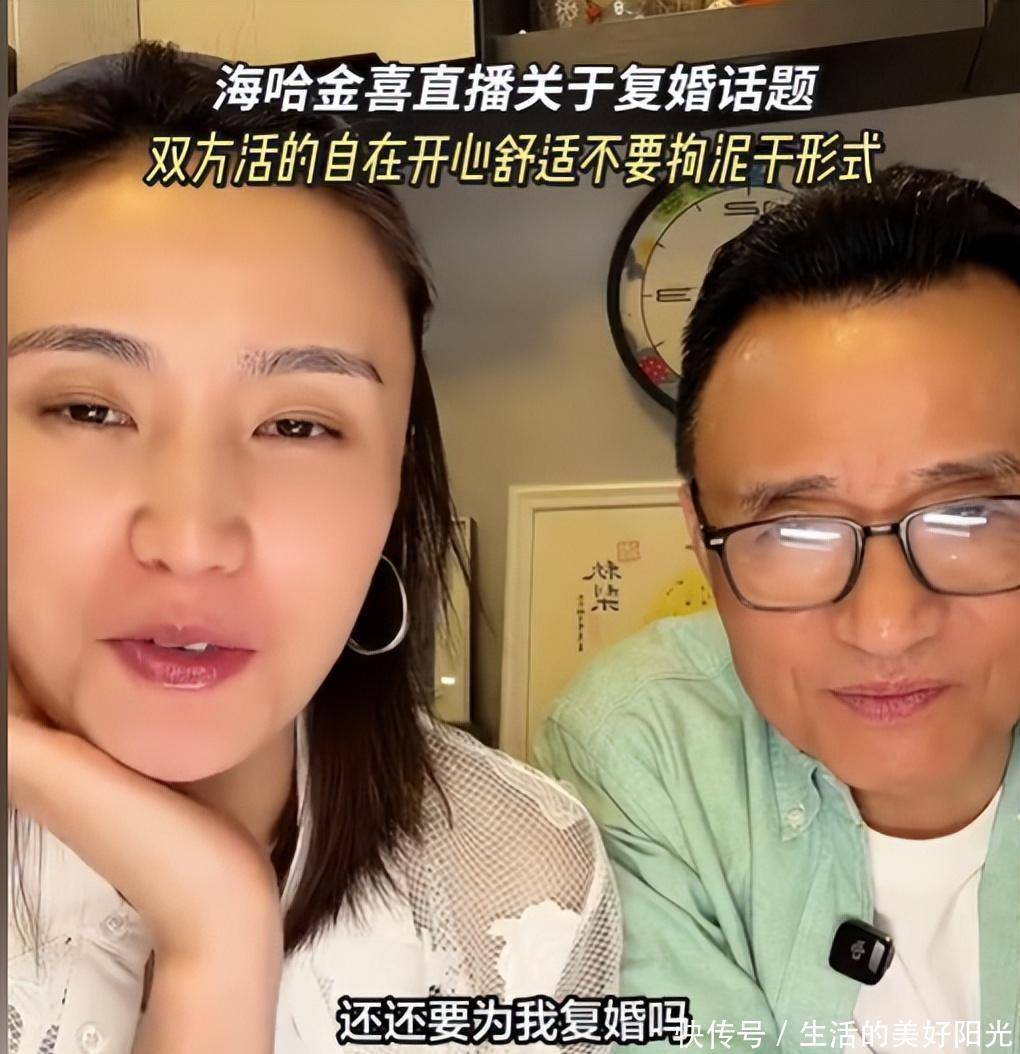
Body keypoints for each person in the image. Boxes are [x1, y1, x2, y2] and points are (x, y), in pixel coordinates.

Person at [6, 42, 620, 1054]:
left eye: (298, 425)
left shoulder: (515, 885)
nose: (191, 540)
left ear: (396, 476)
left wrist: (215, 925)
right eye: (88, 409)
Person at [537, 165, 1020, 1052]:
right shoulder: (642, 749)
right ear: (700, 536)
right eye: (795, 530)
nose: (884, 626)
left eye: (971, 515)